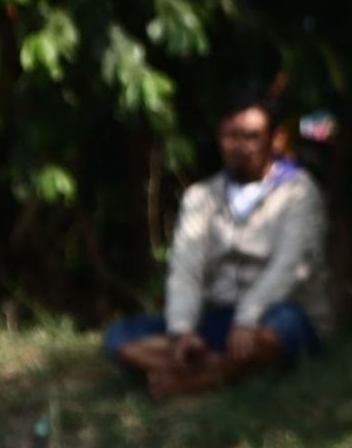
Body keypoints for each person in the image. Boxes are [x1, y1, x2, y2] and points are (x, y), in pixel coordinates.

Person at [102, 85, 333, 399]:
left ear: (275, 138)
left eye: (251, 136)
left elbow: (290, 267)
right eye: (230, 136)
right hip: (218, 320)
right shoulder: (201, 196)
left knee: (285, 327)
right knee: (120, 336)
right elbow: (186, 269)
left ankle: (198, 379)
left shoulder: (298, 192)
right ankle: (218, 364)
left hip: (274, 315)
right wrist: (182, 331)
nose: (240, 146)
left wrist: (248, 319)